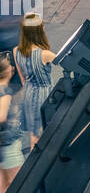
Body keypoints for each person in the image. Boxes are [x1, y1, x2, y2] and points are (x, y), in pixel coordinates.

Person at [13, 12, 54, 149]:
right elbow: (66, 61)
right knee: (41, 138)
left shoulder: (16, 51)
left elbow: (23, 80)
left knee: (35, 136)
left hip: (29, 95)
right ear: (38, 31)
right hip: (44, 96)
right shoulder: (45, 54)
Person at [0, 50, 24, 193]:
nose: (13, 68)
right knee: (18, 186)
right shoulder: (5, 91)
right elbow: (2, 117)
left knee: (3, 187)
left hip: (3, 145)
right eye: (10, 66)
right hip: (8, 146)